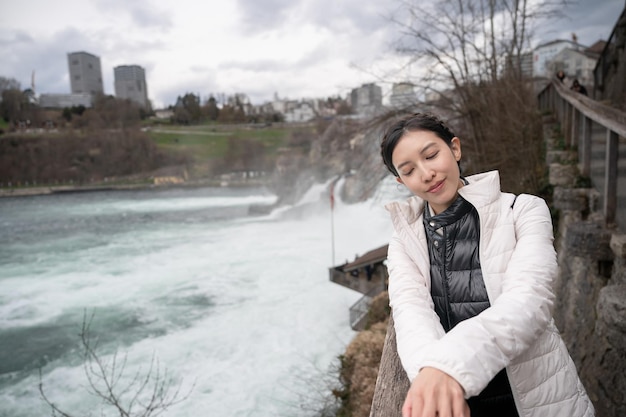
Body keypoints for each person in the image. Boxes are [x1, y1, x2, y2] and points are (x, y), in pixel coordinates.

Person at [380, 113, 594, 417]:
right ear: (401, 181)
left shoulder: (523, 210)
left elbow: (529, 301)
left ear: (455, 148)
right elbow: (410, 312)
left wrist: (449, 366)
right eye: (410, 170)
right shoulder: (405, 241)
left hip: (539, 397)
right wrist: (430, 373)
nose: (426, 173)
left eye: (431, 155)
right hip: (460, 402)